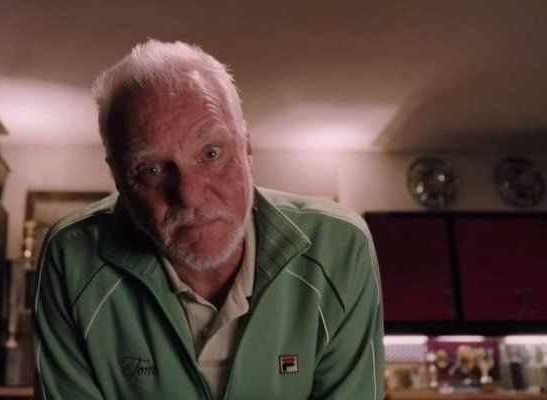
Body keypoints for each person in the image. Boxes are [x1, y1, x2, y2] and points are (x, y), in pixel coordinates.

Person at [32, 40, 385, 400]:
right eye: (151, 170)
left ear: (247, 147)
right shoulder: (72, 257)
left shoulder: (340, 247)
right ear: (119, 179)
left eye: (211, 153)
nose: (189, 195)